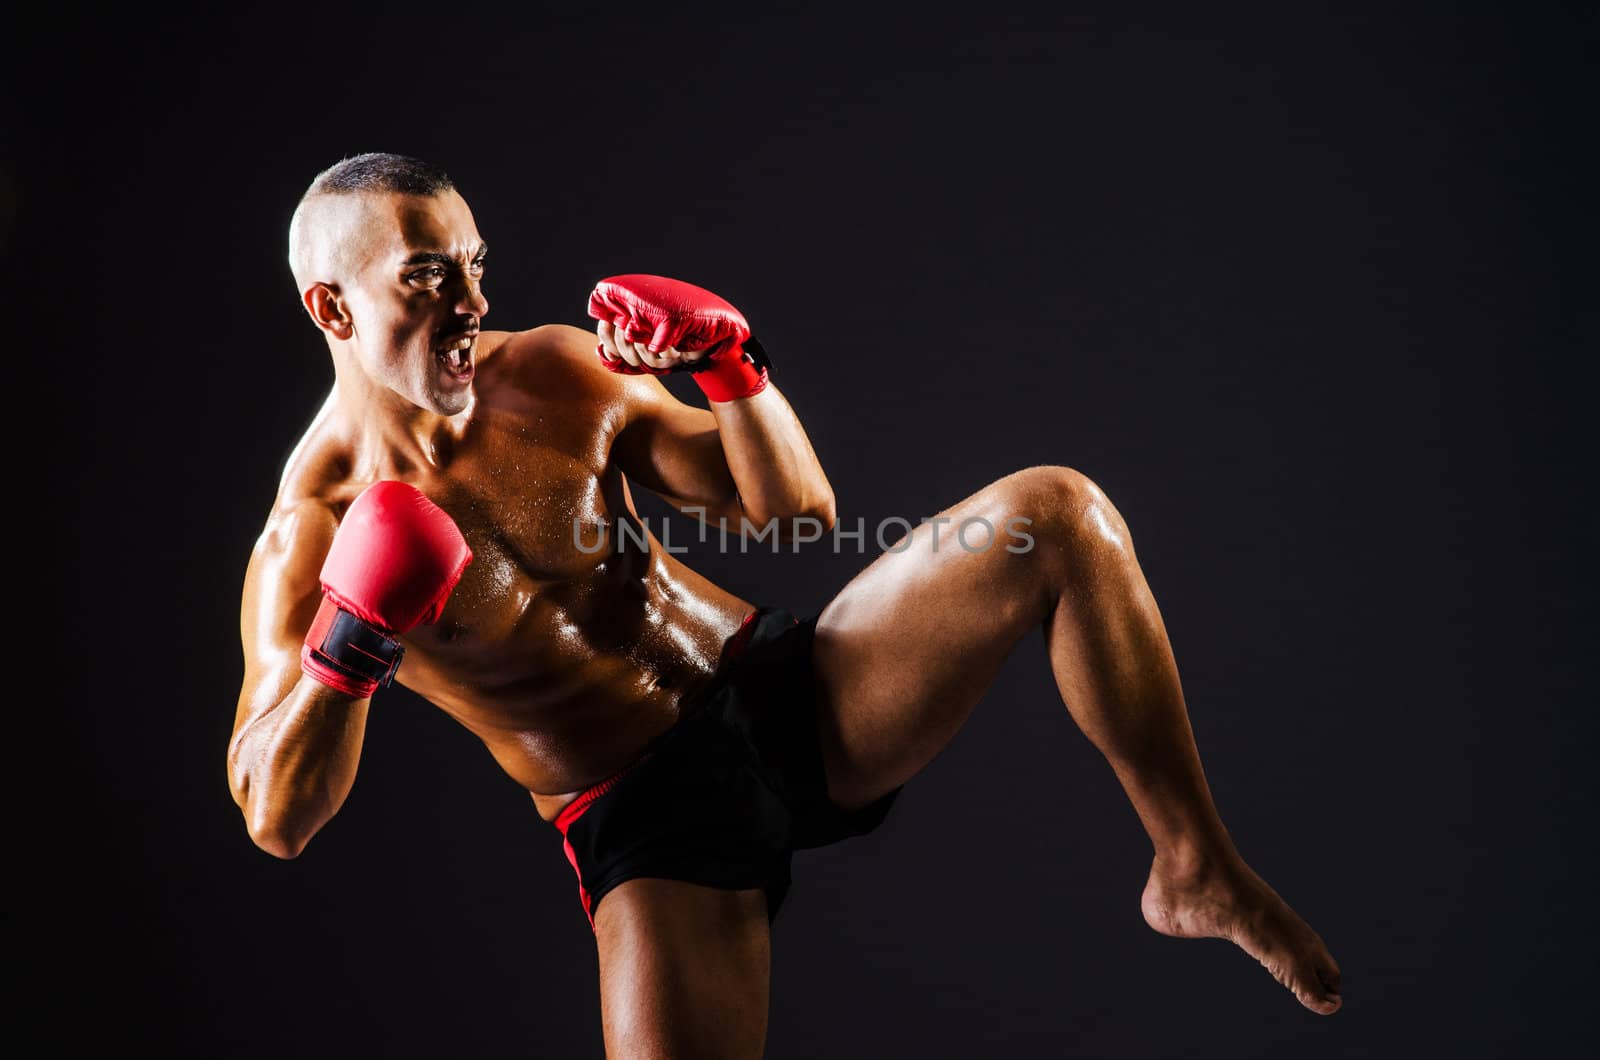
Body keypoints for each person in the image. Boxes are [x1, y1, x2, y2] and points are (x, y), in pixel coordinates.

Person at [229, 152, 1341, 1057]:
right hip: (645, 816)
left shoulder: (555, 374)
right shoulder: (310, 535)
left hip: (787, 688)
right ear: (330, 305)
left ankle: (1194, 864)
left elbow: (794, 508)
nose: (472, 303)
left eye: (475, 266)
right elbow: (277, 815)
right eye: (428, 277)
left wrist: (733, 370)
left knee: (1057, 514)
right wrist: (351, 635)